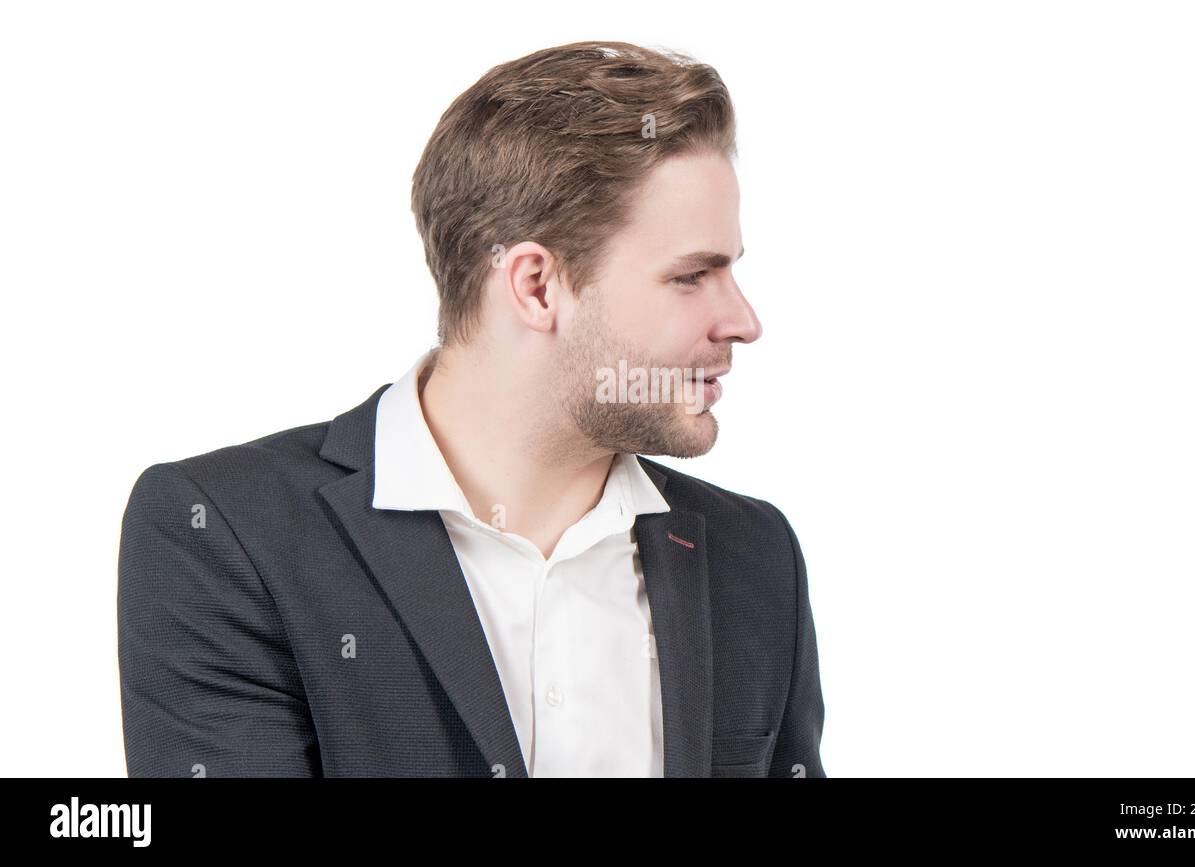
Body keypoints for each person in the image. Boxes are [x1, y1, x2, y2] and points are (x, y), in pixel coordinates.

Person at [117, 40, 825, 777]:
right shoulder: (227, 535)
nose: (742, 320)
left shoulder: (757, 558)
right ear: (537, 286)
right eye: (692, 276)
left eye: (730, 270)